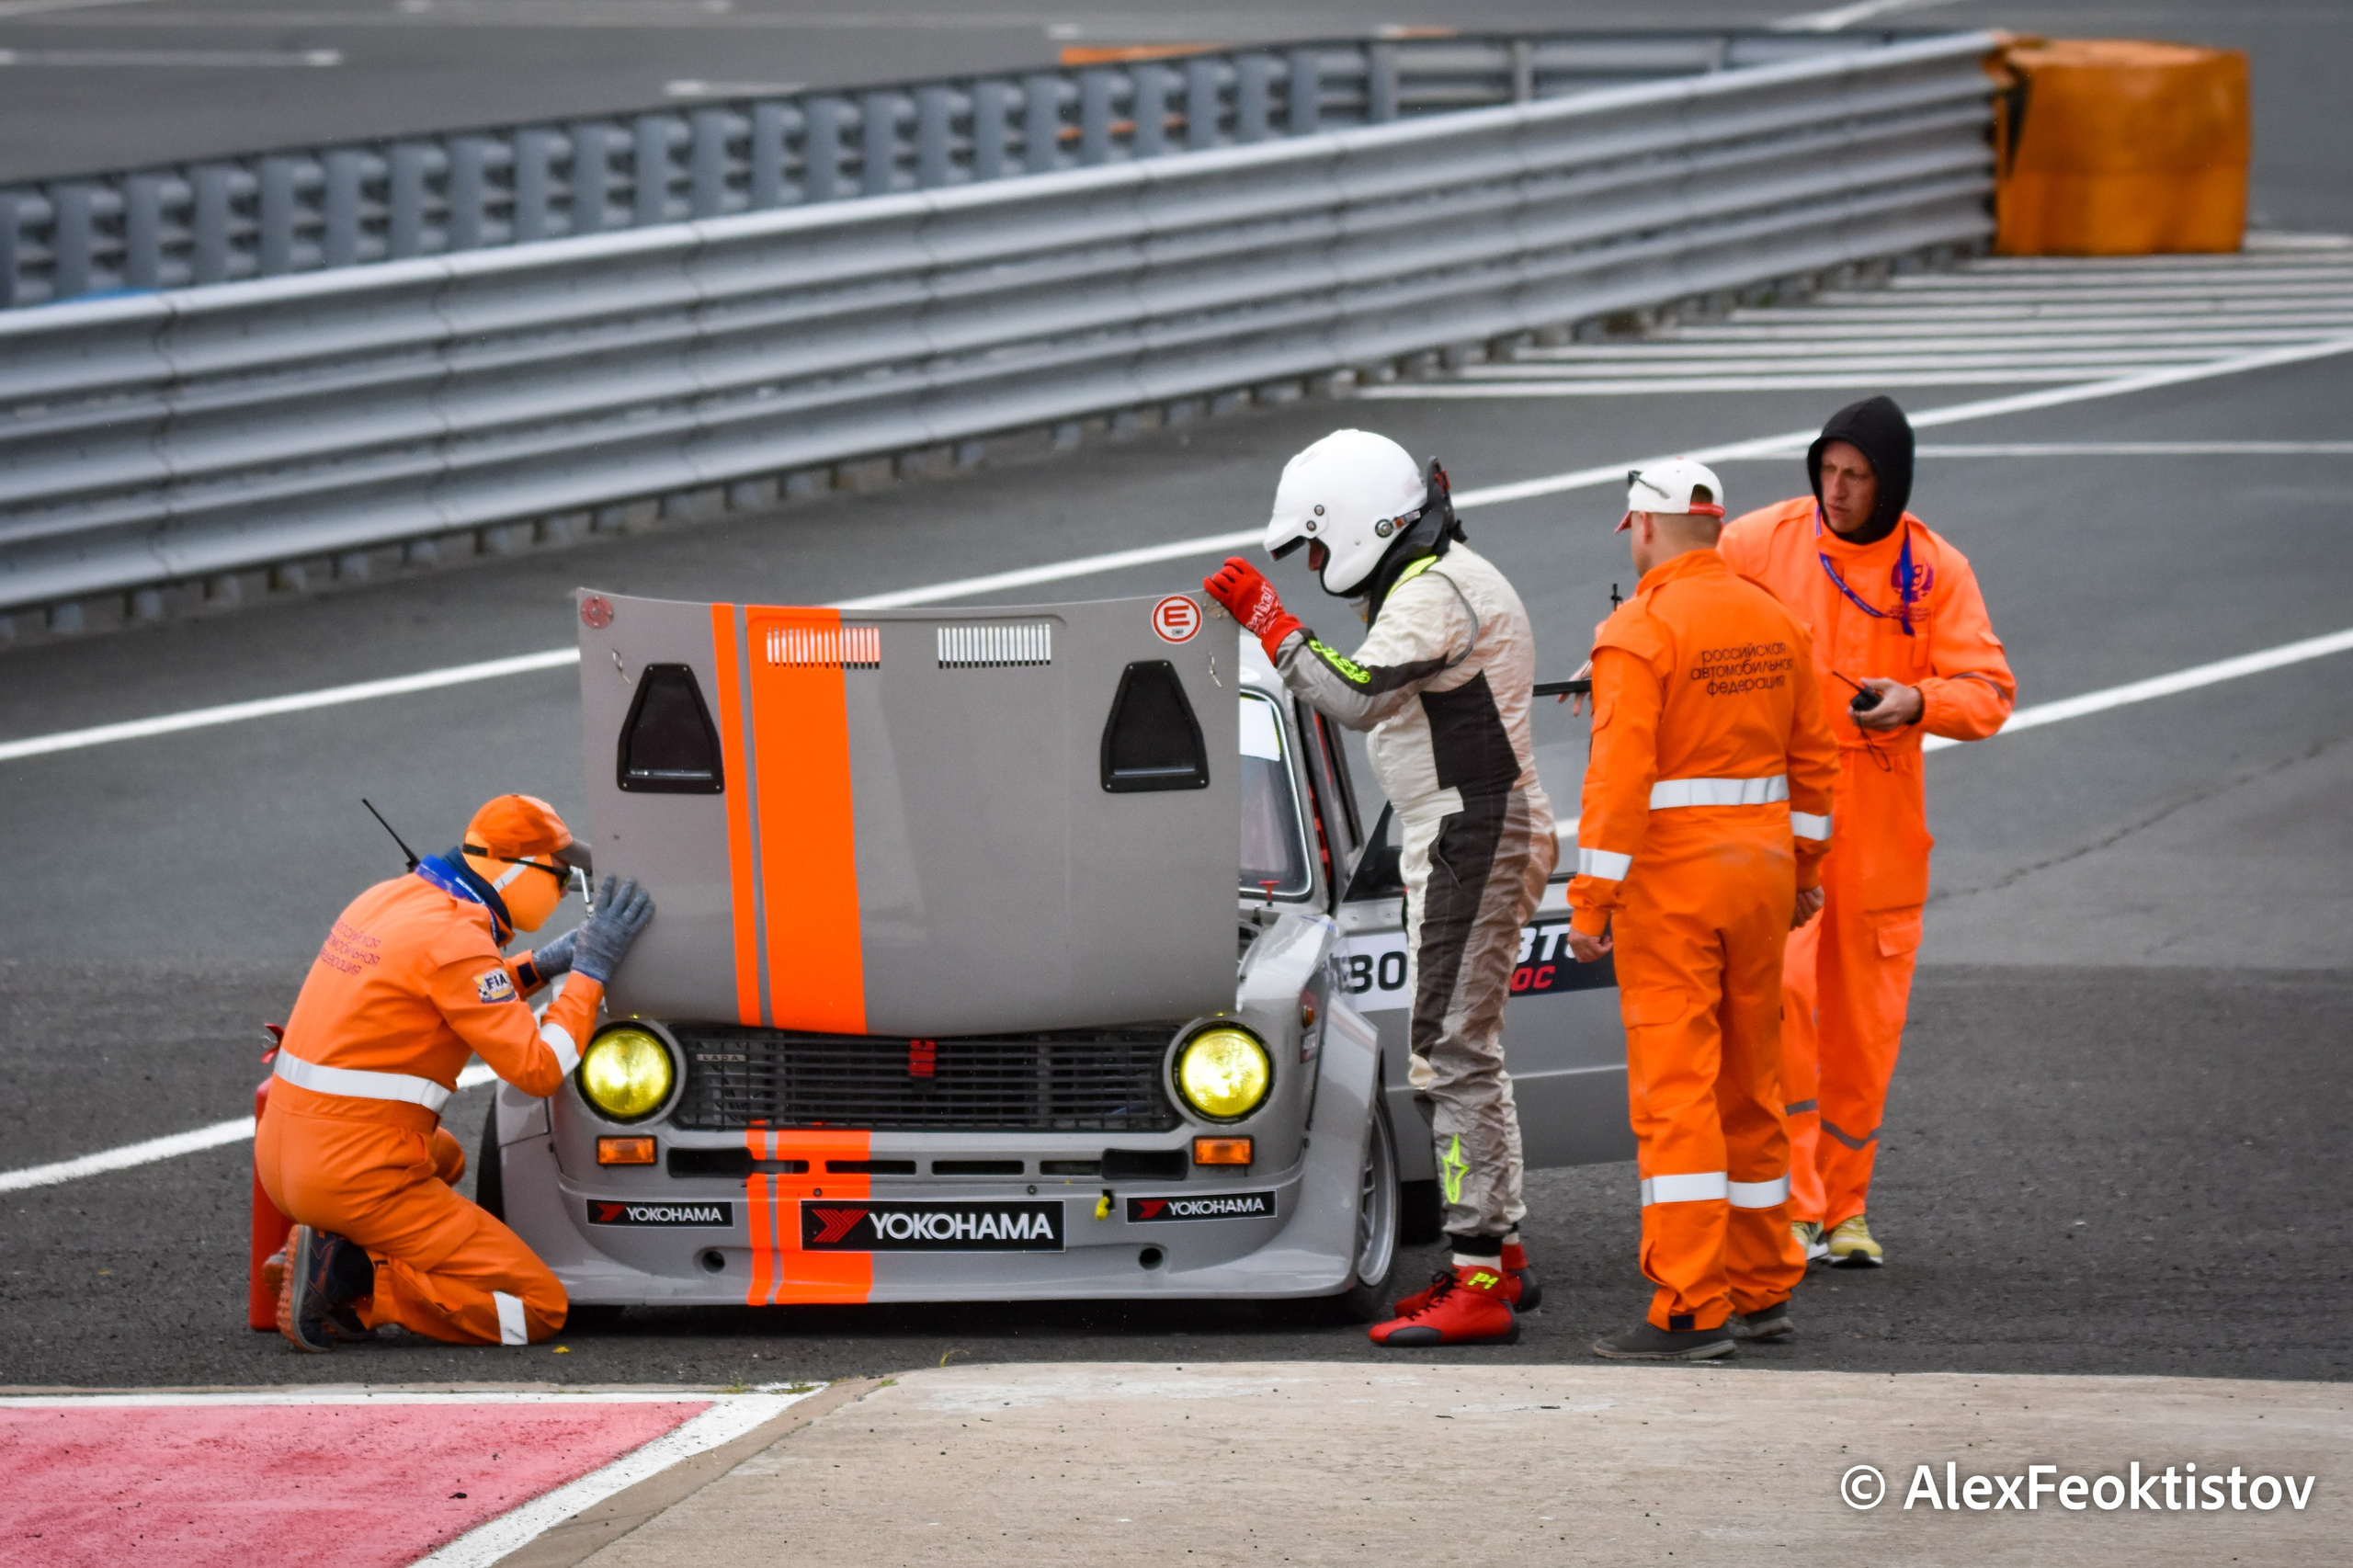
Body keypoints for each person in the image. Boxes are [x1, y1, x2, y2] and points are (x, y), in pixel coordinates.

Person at [1203, 428, 1554, 1347]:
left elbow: (1356, 691)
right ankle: (1498, 1256)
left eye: (1317, 543)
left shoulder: (1434, 590)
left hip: (1471, 829)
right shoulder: (1439, 577)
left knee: (1446, 1053)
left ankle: (1478, 1271)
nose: (1317, 562)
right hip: (1479, 824)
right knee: (1466, 1044)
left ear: (1359, 523)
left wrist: (1270, 619)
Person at [1719, 396, 2015, 1267]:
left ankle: (1845, 1210)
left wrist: (1918, 700)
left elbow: (1991, 690)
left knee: (1866, 1019)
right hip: (1791, 802)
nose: (1836, 491)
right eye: (1827, 470)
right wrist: (1611, 651)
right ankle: (1798, 1203)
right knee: (1790, 1002)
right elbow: (1677, 602)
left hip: (1885, 816)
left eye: (1855, 476)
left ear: (1889, 483)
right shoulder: (1761, 540)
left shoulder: (1936, 567)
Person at [1566, 459, 1840, 1361]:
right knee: (1750, 1084)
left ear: (1642, 529)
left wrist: (1590, 901)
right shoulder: (1776, 619)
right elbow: (1814, 760)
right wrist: (1804, 867)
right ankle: (1764, 1286)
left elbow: (1617, 782)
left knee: (1674, 1091)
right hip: (1760, 877)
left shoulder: (1637, 629)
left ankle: (1689, 1304)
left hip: (1672, 889)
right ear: (1714, 527)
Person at [258, 794, 654, 1351]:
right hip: (352, 1175)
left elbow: (455, 992)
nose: (564, 893)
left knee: (446, 1158)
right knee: (536, 1308)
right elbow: (538, 1068)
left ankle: (329, 1244)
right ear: (516, 869)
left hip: (289, 1152)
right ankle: (358, 1280)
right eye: (561, 879)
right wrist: (590, 971)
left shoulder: (388, 900)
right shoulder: (457, 942)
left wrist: (544, 963)